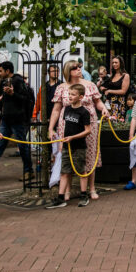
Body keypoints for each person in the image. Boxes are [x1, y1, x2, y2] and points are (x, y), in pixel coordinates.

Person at [49, 60, 109, 201]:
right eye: (75, 68)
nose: (78, 69)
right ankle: (67, 190)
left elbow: (98, 102)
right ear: (68, 71)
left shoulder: (90, 85)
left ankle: (91, 188)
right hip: (68, 124)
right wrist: (51, 128)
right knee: (68, 156)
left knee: (89, 156)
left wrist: (104, 109)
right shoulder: (61, 88)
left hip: (88, 124)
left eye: (79, 67)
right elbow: (56, 109)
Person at [45, 84, 91, 208]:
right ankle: (61, 198)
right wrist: (61, 141)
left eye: (73, 94)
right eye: (69, 94)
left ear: (81, 97)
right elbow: (64, 127)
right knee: (64, 172)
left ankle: (83, 195)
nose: (70, 96)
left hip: (79, 146)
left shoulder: (84, 112)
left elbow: (88, 130)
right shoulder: (66, 109)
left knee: (81, 171)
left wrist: (73, 137)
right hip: (66, 146)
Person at [0, 61, 33, 180]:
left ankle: (29, 171)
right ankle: (29, 171)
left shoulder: (18, 81)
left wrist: (13, 93)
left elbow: (26, 99)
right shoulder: (3, 82)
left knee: (22, 146)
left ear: (7, 71)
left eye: (1, 71)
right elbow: (5, 102)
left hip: (18, 119)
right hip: (6, 119)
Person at [100, 56, 130, 122]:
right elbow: (103, 86)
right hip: (109, 103)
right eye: (113, 63)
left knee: (117, 123)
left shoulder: (125, 75)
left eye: (116, 62)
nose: (114, 64)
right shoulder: (111, 76)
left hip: (119, 103)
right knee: (107, 122)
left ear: (121, 63)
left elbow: (123, 91)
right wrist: (103, 88)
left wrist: (110, 91)